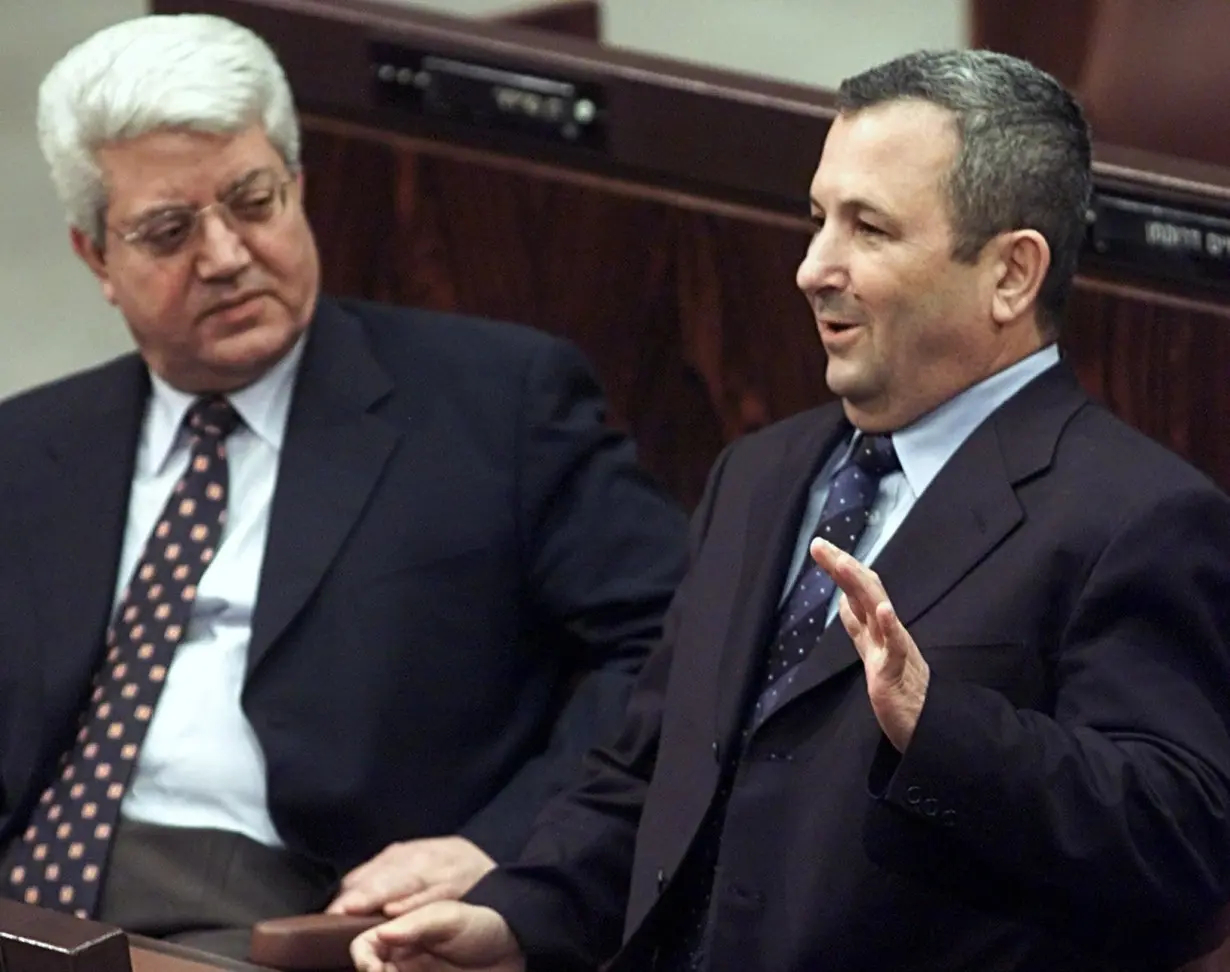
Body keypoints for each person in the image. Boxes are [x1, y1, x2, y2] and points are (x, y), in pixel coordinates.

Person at [350, 48, 1230, 972]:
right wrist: (515, 920)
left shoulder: (1139, 517)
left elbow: (1182, 843)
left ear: (1011, 274)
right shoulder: (762, 475)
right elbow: (648, 780)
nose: (814, 268)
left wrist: (939, 728)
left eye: (870, 229)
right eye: (817, 221)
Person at [0, 12, 687, 959]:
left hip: (284, 917)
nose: (227, 256)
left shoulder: (498, 403)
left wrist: (506, 847)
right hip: (25, 890)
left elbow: (677, 647)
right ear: (96, 259)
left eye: (253, 201)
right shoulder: (26, 448)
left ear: (300, 190)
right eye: (168, 230)